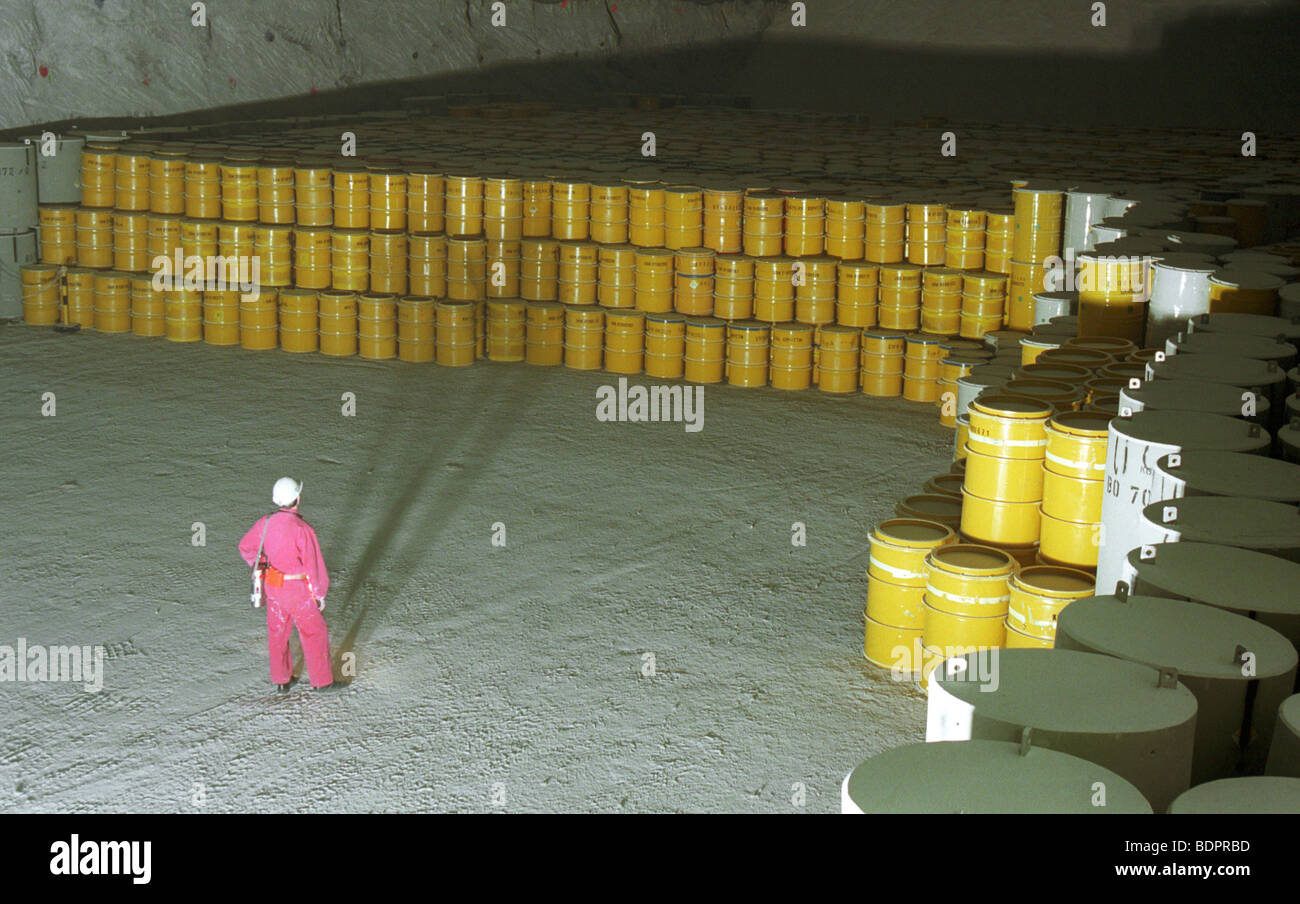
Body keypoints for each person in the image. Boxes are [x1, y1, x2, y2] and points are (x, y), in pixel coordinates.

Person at [238, 477, 335, 692]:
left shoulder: (266, 522)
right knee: (314, 631)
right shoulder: (302, 529)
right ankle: (322, 681)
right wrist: (319, 594)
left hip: (273, 585)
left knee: (277, 631)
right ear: (297, 498)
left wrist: (262, 564)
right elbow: (314, 565)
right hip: (296, 590)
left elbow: (245, 546)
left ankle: (281, 680)